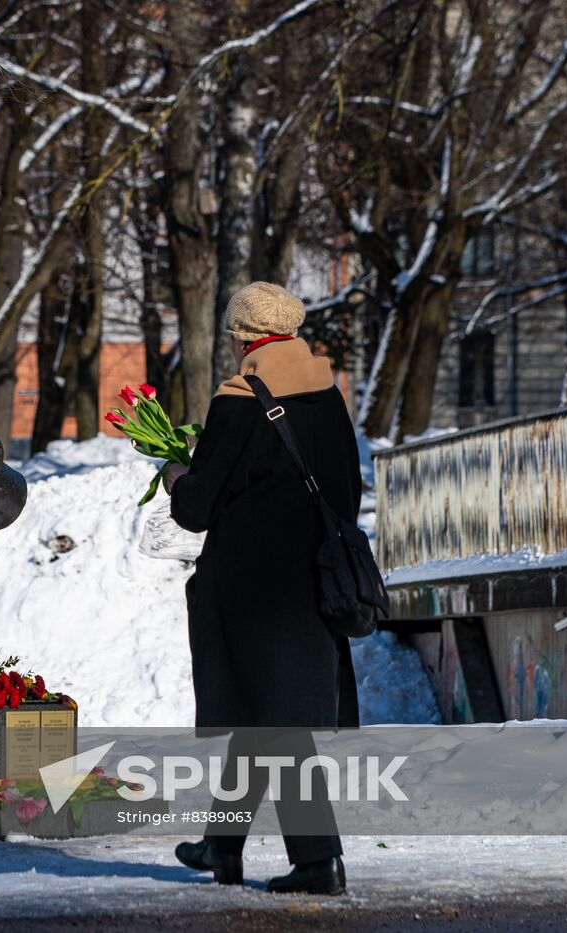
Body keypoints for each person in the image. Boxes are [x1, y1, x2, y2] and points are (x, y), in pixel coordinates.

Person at [164, 282, 360, 896]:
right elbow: (347, 490)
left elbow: (197, 506)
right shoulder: (327, 393)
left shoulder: (242, 398)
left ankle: (318, 860)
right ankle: (222, 847)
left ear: (243, 336)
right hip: (313, 583)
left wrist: (177, 474)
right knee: (263, 714)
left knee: (277, 727)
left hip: (251, 589)